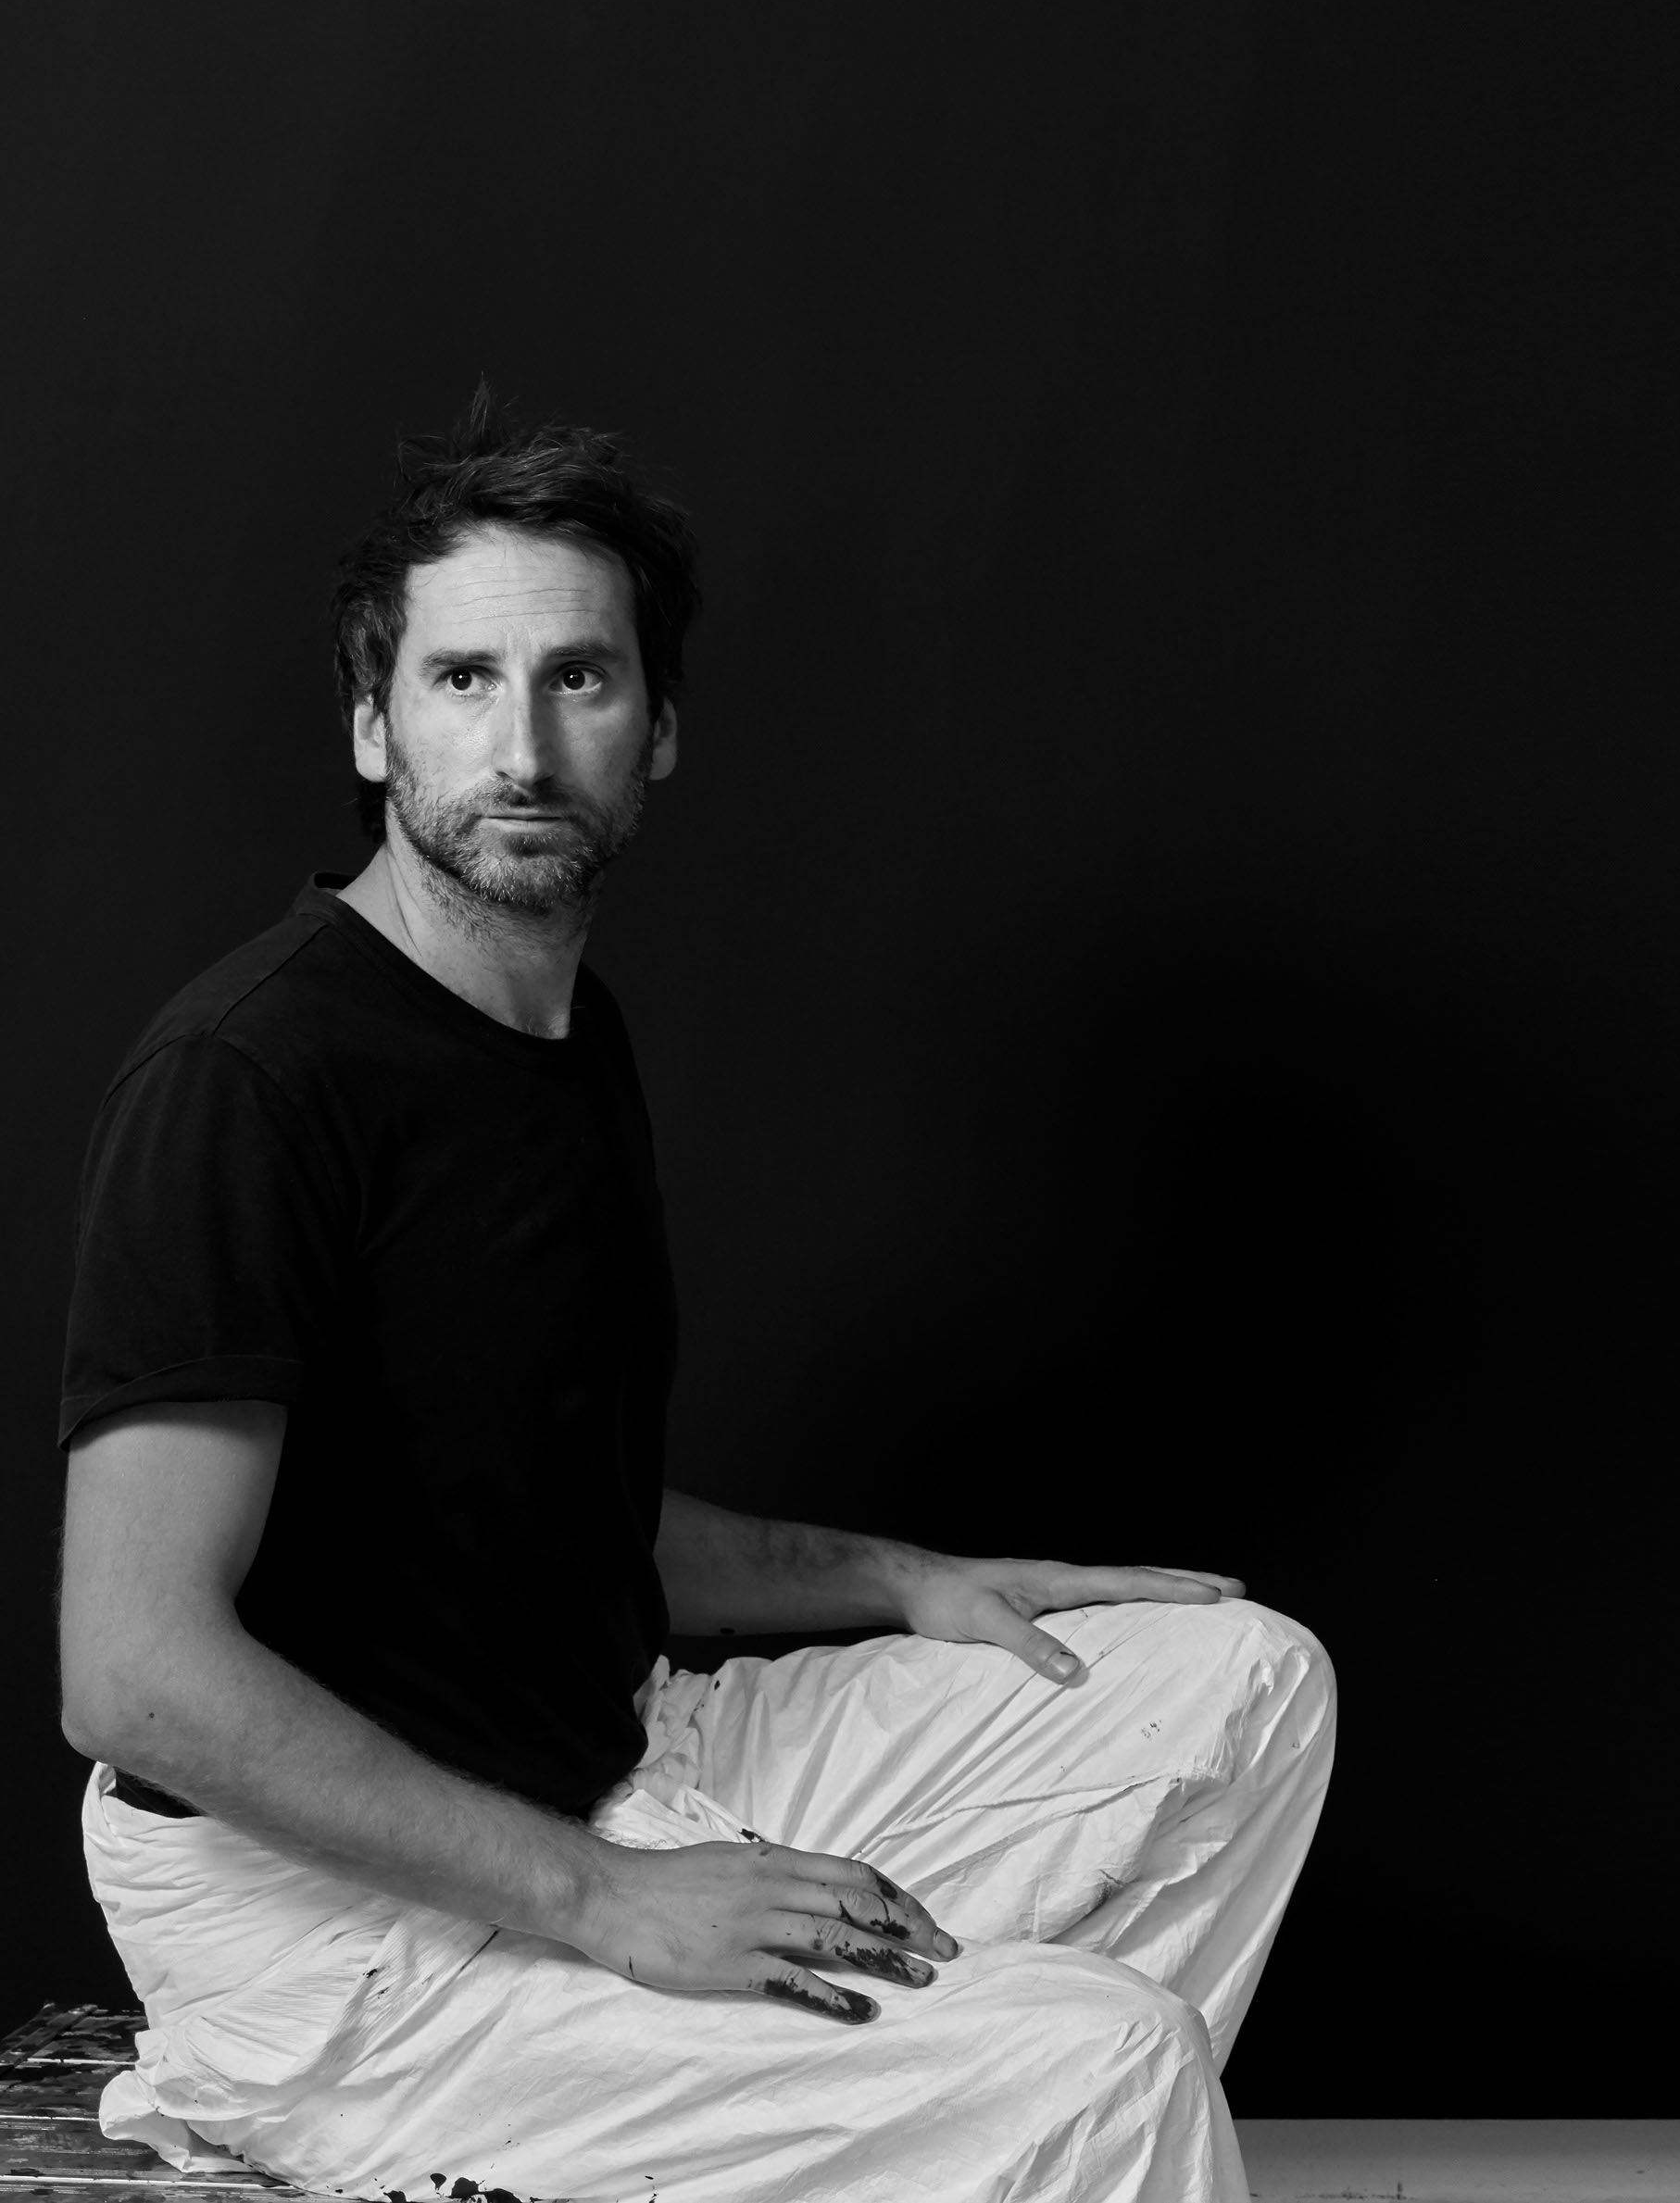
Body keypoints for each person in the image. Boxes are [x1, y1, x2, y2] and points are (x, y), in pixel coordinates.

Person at [51, 394, 1333, 2203]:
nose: (519, 745)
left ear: (656, 730)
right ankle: (981, 2110)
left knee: (1250, 1687)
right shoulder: (251, 1080)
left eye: (576, 678)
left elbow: (526, 1513)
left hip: (604, 1760)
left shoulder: (556, 1033)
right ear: (372, 722)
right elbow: (132, 1674)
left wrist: (907, 1577)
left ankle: (920, 2137)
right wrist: (608, 1901)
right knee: (1104, 2060)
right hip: (340, 1935)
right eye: (461, 678)